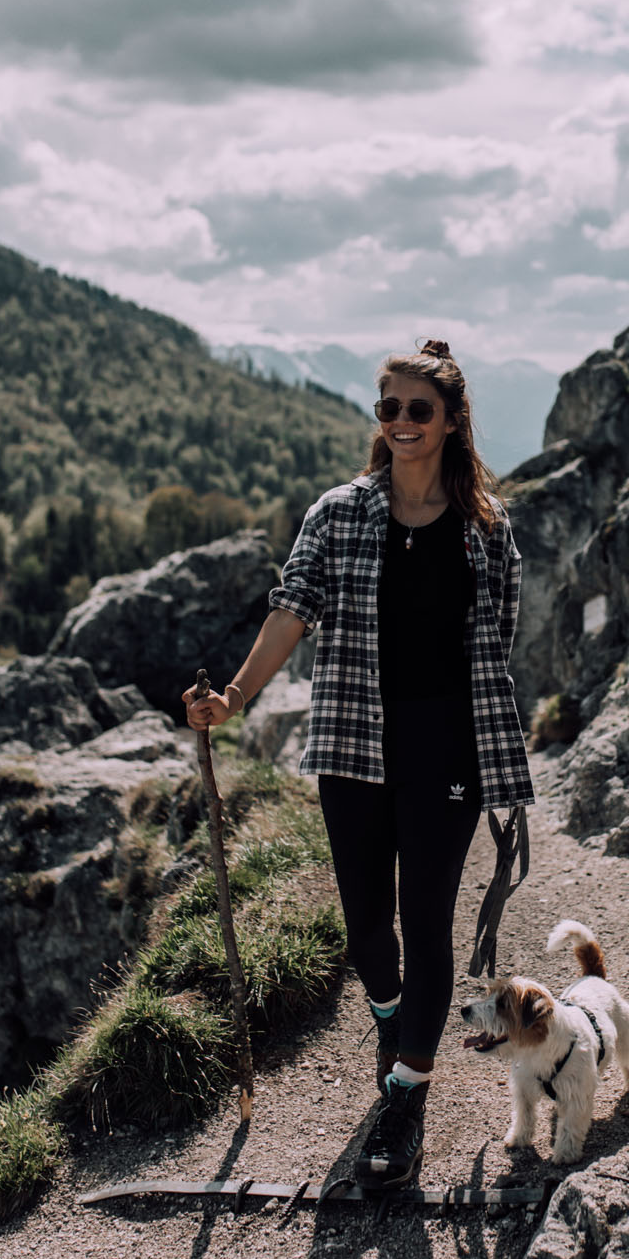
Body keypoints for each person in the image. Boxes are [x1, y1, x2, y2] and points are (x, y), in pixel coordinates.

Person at [183, 339, 534, 1188]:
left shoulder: (487, 526)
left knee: (428, 921)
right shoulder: (338, 513)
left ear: (450, 420)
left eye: (419, 409)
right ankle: (391, 1018)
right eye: (389, 408)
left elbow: (500, 634)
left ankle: (405, 1098)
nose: (402, 422)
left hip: (448, 750)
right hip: (353, 743)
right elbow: (291, 610)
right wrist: (234, 697)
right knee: (367, 928)